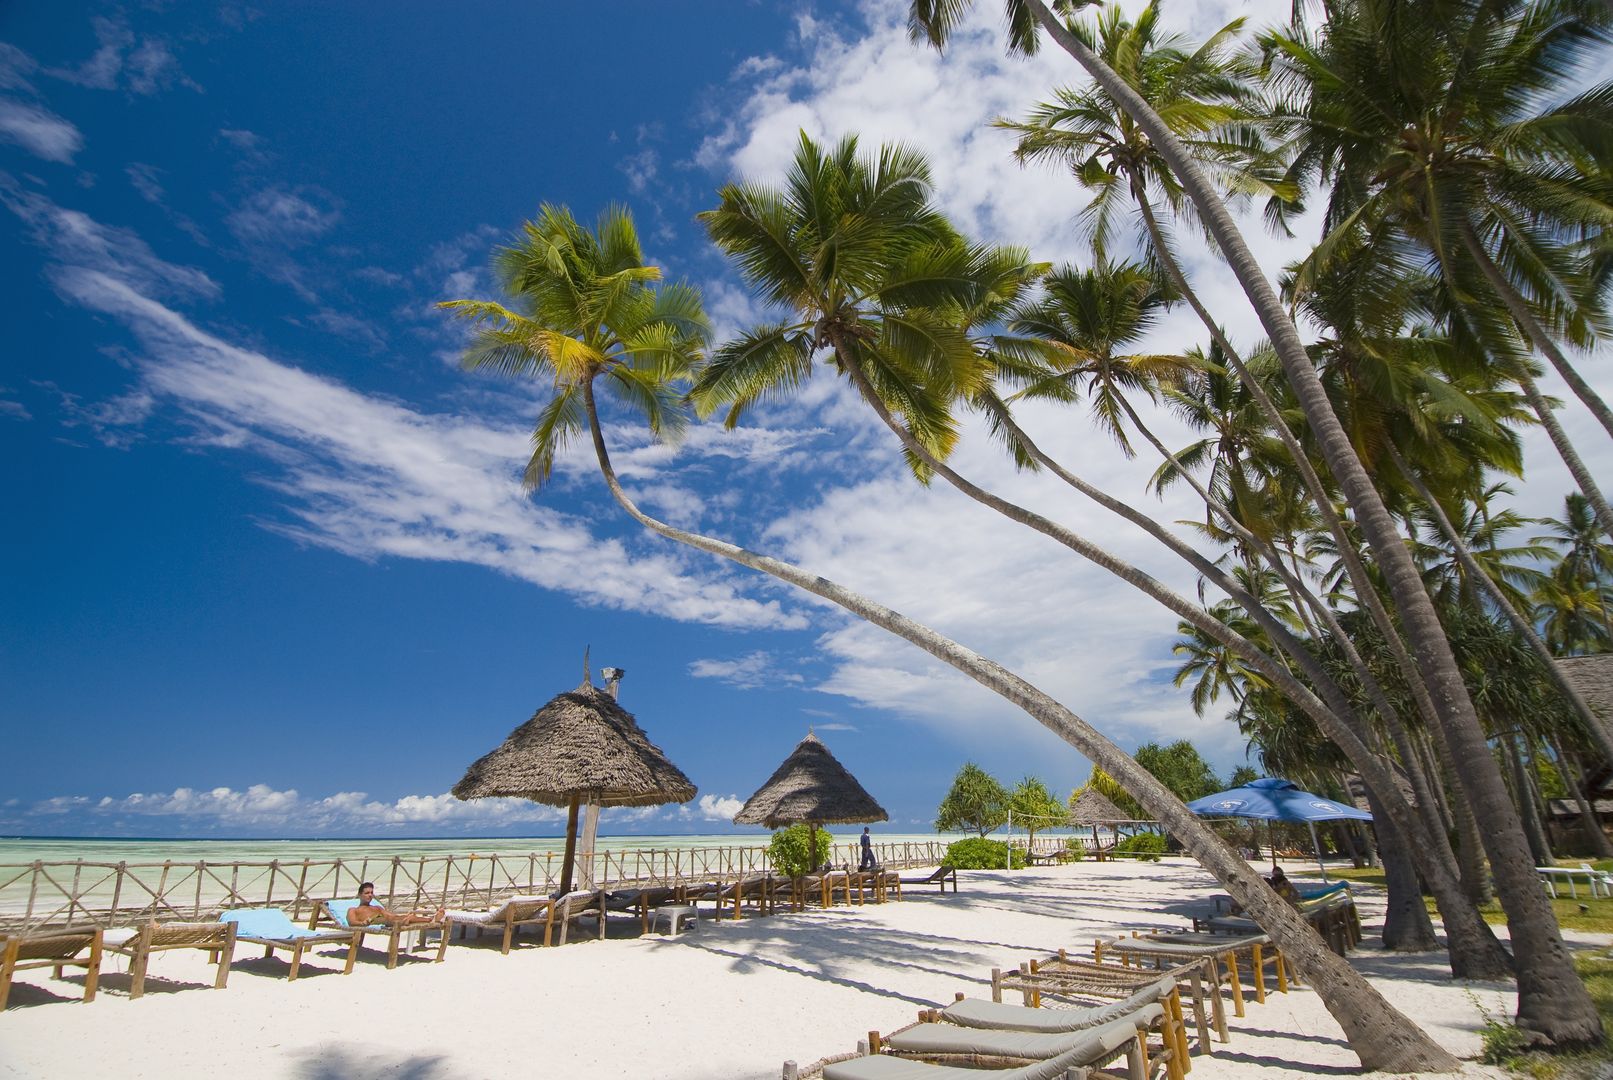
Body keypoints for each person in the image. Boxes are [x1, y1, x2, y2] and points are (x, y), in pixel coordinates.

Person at [348, 881, 445, 927]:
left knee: (407, 917)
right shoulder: (353, 910)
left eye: (371, 893)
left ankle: (430, 920)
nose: (370, 895)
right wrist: (362, 923)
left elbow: (391, 916)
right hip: (374, 921)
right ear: (359, 895)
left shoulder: (377, 907)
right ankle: (430, 920)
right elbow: (351, 922)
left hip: (386, 919)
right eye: (367, 893)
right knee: (404, 918)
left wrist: (401, 917)